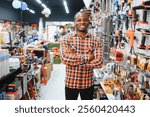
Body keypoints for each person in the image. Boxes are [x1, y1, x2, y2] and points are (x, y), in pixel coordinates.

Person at [60, 9, 103, 100]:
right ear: (75, 22)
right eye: (79, 20)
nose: (82, 22)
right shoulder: (66, 39)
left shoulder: (95, 40)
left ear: (89, 22)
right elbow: (64, 58)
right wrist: (87, 57)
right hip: (71, 83)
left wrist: (75, 60)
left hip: (87, 84)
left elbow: (99, 61)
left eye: (85, 20)